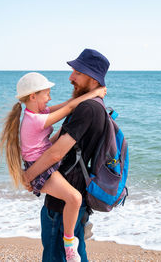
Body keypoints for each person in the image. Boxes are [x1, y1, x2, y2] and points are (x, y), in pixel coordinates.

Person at [0, 71, 106, 262]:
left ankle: (71, 240)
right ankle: (69, 244)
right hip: (40, 168)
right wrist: (96, 93)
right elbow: (69, 107)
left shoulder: (38, 113)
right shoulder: (35, 120)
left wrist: (88, 99)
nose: (50, 97)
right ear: (33, 96)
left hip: (42, 162)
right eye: (46, 93)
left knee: (73, 200)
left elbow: (65, 107)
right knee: (74, 198)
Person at [23, 49, 110, 262]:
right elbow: (56, 140)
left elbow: (56, 153)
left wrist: (27, 177)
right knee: (76, 255)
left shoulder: (87, 108)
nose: (71, 77)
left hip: (62, 204)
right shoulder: (94, 105)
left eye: (77, 72)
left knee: (55, 255)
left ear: (92, 78)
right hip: (75, 195)